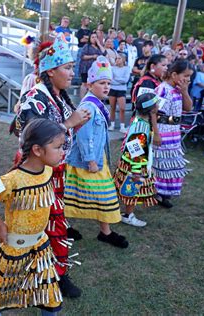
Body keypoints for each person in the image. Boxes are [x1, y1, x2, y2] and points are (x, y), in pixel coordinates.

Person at [18, 34, 91, 298]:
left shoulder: (57, 97)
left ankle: (57, 273)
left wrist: (73, 124)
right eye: (67, 68)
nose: (73, 73)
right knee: (36, 225)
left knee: (55, 224)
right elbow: (32, 141)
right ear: (50, 71)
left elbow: (58, 138)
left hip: (54, 172)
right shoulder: (35, 98)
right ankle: (36, 274)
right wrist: (68, 124)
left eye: (72, 67)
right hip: (36, 175)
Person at [0, 119, 66, 316]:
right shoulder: (12, 180)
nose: (62, 152)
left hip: (40, 246)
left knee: (48, 292)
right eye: (58, 147)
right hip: (15, 248)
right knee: (3, 293)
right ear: (37, 150)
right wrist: (0, 225)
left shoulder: (48, 170)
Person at [64, 56, 129, 249]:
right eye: (102, 83)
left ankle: (104, 231)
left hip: (96, 158)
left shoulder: (96, 105)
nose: (107, 87)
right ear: (90, 84)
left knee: (80, 194)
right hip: (87, 160)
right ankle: (66, 226)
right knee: (100, 195)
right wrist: (91, 160)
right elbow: (84, 136)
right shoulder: (87, 106)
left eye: (108, 83)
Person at [113, 93, 159, 227]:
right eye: (156, 104)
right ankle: (128, 215)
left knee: (130, 190)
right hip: (134, 166)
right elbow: (136, 151)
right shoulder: (140, 127)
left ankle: (126, 213)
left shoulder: (142, 122)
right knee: (131, 190)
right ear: (151, 110)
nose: (158, 106)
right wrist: (136, 172)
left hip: (135, 163)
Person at [153, 60, 193, 208]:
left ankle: (165, 193)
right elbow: (154, 113)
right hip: (163, 131)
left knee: (171, 164)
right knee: (161, 163)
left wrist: (184, 91)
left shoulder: (179, 90)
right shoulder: (163, 90)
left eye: (190, 76)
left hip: (174, 133)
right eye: (186, 75)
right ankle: (156, 192)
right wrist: (156, 133)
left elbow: (188, 107)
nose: (188, 79)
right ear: (174, 74)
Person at [109, 53, 131, 132]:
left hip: (122, 90)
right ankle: (112, 125)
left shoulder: (127, 68)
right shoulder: (112, 68)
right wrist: (119, 80)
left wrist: (116, 79)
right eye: (116, 58)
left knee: (122, 108)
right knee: (112, 108)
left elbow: (125, 80)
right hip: (112, 89)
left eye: (119, 58)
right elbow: (110, 79)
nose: (117, 60)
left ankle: (122, 126)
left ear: (123, 60)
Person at [79, 32, 105, 98]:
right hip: (86, 68)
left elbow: (104, 53)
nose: (94, 39)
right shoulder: (86, 46)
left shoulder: (99, 47)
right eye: (92, 37)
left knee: (93, 84)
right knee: (84, 83)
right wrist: (93, 56)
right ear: (90, 39)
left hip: (96, 69)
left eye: (95, 37)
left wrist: (99, 44)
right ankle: (82, 99)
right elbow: (82, 56)